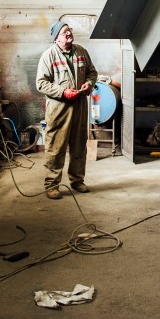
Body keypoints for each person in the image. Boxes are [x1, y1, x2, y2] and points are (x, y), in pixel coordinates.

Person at [36, 21, 98, 199]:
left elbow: (92, 73)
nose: (69, 34)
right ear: (56, 38)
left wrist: (89, 84)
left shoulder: (81, 51)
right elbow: (41, 83)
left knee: (79, 146)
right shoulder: (48, 56)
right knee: (56, 147)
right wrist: (63, 92)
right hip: (59, 109)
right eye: (64, 32)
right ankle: (51, 185)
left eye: (69, 30)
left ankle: (77, 180)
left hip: (79, 106)